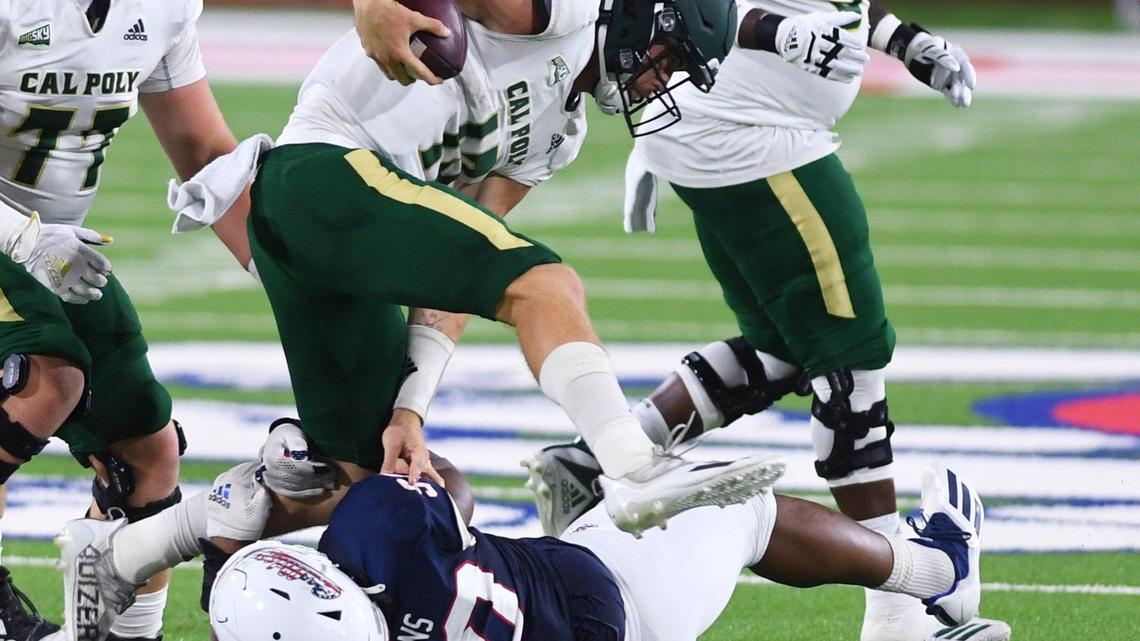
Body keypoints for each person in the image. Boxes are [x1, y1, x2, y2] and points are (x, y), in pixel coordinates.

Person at [55, 1, 815, 639]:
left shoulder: (561, 132)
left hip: (336, 240)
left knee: (368, 484)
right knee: (545, 283)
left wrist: (408, 411)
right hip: (323, 176)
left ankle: (126, 553)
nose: (658, 78)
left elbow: (454, 283)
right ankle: (629, 465)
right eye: (664, 53)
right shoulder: (567, 12)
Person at [522, 2, 1007, 640]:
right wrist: (777, 32)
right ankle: (902, 612)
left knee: (781, 349)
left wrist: (904, 39)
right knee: (848, 360)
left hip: (727, 133)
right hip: (757, 143)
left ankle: (600, 459)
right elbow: (707, 9)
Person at [0, 0, 260, 639]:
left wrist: (295, 280)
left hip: (53, 248)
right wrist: (23, 241)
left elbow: (204, 152)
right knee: (45, 380)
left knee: (147, 449)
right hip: (22, 243)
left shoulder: (162, 8)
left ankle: (120, 635)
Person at [209, 461, 995, 641]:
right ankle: (941, 570)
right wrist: (274, 513)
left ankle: (584, 488)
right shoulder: (379, 531)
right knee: (748, 511)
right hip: (614, 600)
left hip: (570, 592)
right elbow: (450, 492)